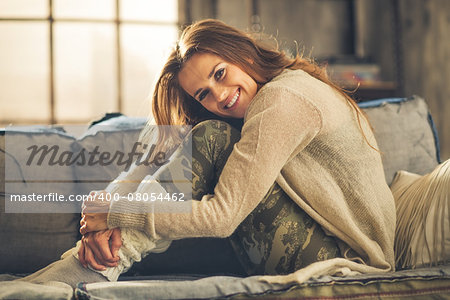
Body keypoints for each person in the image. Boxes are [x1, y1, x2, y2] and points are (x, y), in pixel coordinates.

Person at [17, 19, 396, 287]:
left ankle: (96, 269)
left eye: (219, 73)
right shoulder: (252, 104)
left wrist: (115, 212)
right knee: (200, 143)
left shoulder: (283, 99)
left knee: (209, 140)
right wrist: (98, 222)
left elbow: (222, 218)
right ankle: (94, 261)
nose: (219, 96)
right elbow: (146, 164)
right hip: (316, 246)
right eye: (203, 94)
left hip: (342, 262)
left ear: (240, 52)